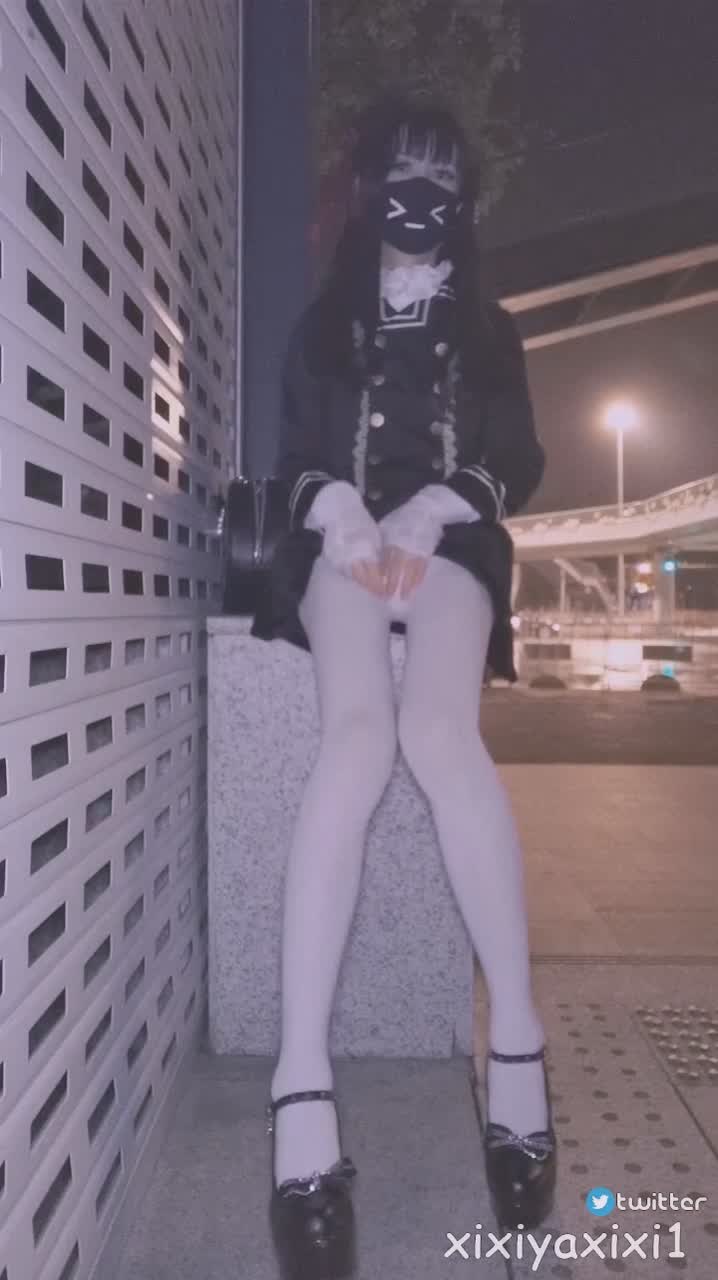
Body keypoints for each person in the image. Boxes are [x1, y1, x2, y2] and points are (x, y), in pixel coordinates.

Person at [251, 95, 556, 1280]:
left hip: (449, 547)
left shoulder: (490, 328)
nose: (420, 197)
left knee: (437, 729)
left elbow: (517, 455)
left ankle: (515, 1035)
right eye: (401, 173)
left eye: (442, 177)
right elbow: (294, 454)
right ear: (368, 189)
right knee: (355, 739)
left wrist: (437, 506)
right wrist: (336, 509)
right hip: (344, 551)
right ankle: (300, 1083)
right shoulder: (322, 324)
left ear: (463, 201)